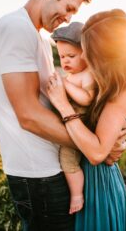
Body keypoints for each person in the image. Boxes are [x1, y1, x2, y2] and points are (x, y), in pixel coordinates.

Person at [0, 0, 126, 230]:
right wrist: (97, 147)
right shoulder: (15, 28)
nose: (68, 18)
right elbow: (28, 115)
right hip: (38, 174)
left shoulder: (38, 38)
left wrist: (101, 140)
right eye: (69, 8)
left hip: (51, 168)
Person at [47, 9, 126, 231]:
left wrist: (63, 105)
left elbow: (97, 153)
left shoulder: (123, 84)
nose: (86, 57)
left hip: (98, 181)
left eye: (89, 51)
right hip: (92, 175)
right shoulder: (109, 78)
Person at [51, 22, 96, 214]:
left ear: (86, 54)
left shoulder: (88, 75)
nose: (65, 61)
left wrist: (65, 84)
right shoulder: (72, 75)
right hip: (67, 125)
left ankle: (77, 194)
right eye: (62, 57)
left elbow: (86, 99)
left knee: (67, 161)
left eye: (71, 56)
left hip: (79, 128)